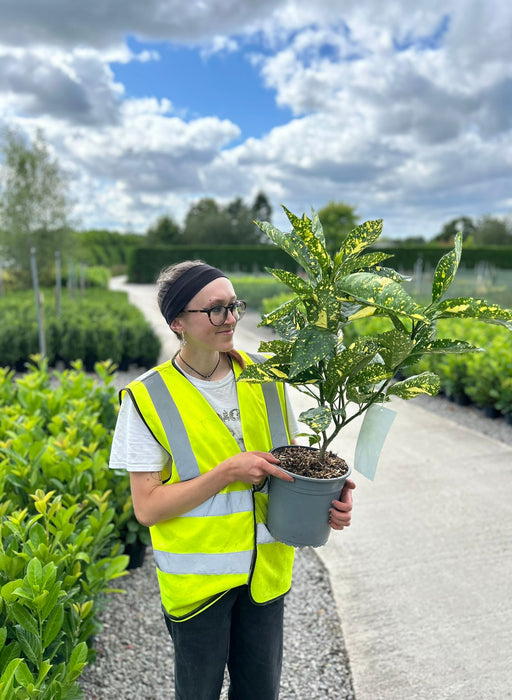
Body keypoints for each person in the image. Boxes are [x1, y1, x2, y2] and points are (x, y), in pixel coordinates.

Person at [109, 260, 355, 700]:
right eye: (215, 309)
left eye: (234, 306)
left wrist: (329, 500)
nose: (232, 319)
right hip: (199, 585)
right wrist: (225, 474)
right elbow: (146, 508)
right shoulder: (148, 397)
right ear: (177, 322)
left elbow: (296, 463)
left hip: (266, 576)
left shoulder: (267, 376)